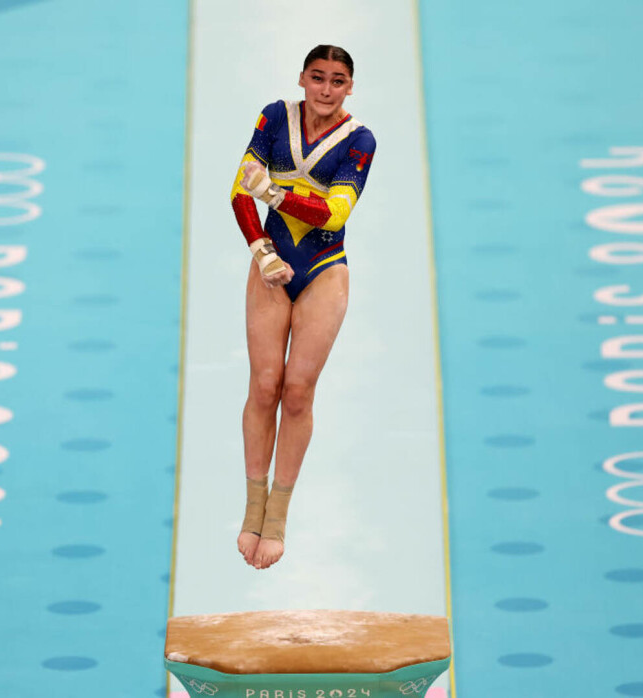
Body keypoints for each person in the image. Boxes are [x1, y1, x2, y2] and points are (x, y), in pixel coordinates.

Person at [229, 44, 376, 569]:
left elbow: (333, 216)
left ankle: (278, 514)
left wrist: (272, 191)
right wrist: (261, 251)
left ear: (349, 87)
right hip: (269, 265)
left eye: (338, 81)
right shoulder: (274, 117)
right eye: (318, 78)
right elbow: (239, 191)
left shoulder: (358, 140)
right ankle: (251, 510)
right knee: (264, 385)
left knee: (296, 392)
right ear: (302, 78)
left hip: (323, 273)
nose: (326, 89)